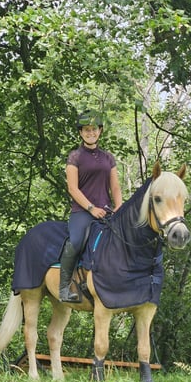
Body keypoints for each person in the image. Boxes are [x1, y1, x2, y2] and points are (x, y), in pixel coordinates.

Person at [59, 111, 123, 302]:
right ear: (81, 132)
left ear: (100, 131)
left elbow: (115, 186)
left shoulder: (108, 158)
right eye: (86, 130)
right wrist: (91, 208)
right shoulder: (75, 156)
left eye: (94, 129)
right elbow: (72, 188)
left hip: (107, 211)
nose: (90, 133)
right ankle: (63, 287)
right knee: (77, 241)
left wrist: (119, 206)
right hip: (83, 212)